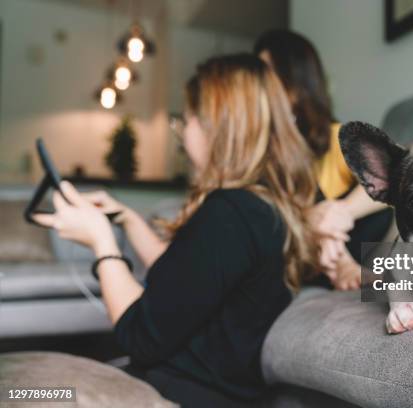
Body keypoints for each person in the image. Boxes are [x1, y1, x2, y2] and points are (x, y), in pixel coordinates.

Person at [35, 54, 319, 407]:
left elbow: (137, 335)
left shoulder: (228, 213)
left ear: (217, 126)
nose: (182, 132)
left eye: (185, 120)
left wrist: (102, 244)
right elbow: (185, 280)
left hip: (177, 394)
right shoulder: (260, 210)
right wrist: (127, 218)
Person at [254, 30, 394, 290]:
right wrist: (312, 218)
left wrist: (341, 213)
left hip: (347, 234)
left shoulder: (337, 137)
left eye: (266, 73)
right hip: (297, 243)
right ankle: (340, 265)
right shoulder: (262, 147)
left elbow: (393, 178)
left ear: (295, 82)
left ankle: (337, 257)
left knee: (374, 195)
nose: (259, 86)